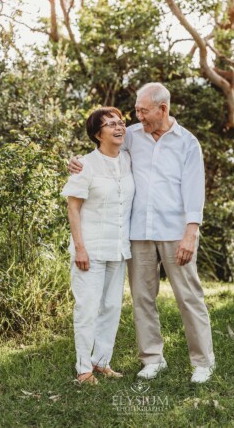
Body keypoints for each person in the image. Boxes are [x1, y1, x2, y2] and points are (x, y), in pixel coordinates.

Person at [70, 83, 215, 383]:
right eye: (135, 110)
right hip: (139, 232)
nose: (137, 116)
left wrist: (191, 232)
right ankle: (152, 358)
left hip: (176, 231)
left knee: (189, 297)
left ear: (163, 109)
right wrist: (75, 162)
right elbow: (100, 154)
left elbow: (194, 191)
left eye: (143, 111)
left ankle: (202, 362)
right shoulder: (132, 136)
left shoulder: (187, 143)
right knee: (142, 298)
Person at [61, 107, 135, 385]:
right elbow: (73, 208)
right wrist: (80, 248)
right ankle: (83, 369)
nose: (119, 127)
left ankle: (101, 361)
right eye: (111, 124)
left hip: (118, 248)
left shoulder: (128, 159)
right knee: (87, 308)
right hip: (89, 250)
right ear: (97, 134)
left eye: (121, 123)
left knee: (111, 307)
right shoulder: (86, 165)